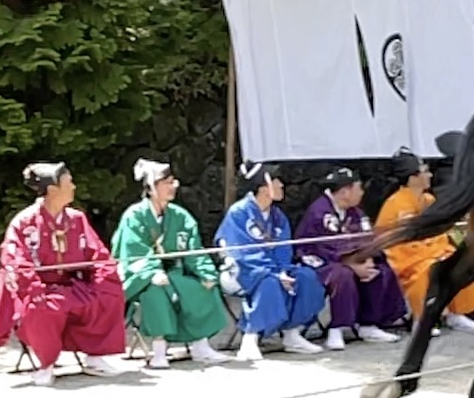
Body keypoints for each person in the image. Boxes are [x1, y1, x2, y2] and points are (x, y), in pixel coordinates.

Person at [0, 162, 127, 386]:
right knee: (39, 306)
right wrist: (34, 288)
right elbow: (15, 261)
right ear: (53, 189)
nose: (73, 186)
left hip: (72, 284)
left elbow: (98, 253)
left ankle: (94, 356)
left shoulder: (76, 218)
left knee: (108, 292)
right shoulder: (24, 222)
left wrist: (104, 276)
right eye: (68, 182)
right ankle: (47, 363)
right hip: (40, 288)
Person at [111, 158, 232, 370]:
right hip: (141, 277)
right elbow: (132, 252)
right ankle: (159, 350)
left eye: (172, 181)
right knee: (155, 291)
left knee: (201, 288)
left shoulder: (180, 215)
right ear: (151, 187)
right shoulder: (134, 216)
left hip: (174, 273)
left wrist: (206, 273)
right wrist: (152, 272)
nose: (173, 186)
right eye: (166, 182)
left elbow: (194, 249)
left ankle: (200, 345)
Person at [213, 161, 326, 360]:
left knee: (306, 277)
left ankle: (292, 333)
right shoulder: (239, 212)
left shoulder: (277, 216)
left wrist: (283, 271)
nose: (281, 185)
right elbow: (240, 253)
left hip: (271, 268)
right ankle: (250, 337)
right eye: (276, 181)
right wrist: (275, 273)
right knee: (269, 283)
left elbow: (284, 249)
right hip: (241, 270)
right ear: (263, 186)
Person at [375, 149, 474, 333]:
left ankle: (458, 313)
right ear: (413, 177)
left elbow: (439, 231)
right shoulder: (396, 204)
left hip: (430, 251)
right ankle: (423, 320)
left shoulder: (428, 199)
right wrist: (433, 253)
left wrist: (441, 249)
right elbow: (400, 242)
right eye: (425, 171)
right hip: (408, 259)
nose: (429, 175)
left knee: (459, 260)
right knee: (429, 268)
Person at [294, 167, 406, 350]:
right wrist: (353, 265)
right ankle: (337, 328)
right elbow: (326, 249)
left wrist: (368, 259)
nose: (362, 192)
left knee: (379, 270)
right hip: (317, 259)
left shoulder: (355, 211)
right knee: (342, 275)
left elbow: (367, 237)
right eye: (359, 188)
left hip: (350, 258)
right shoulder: (320, 212)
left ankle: (368, 324)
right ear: (345, 192)